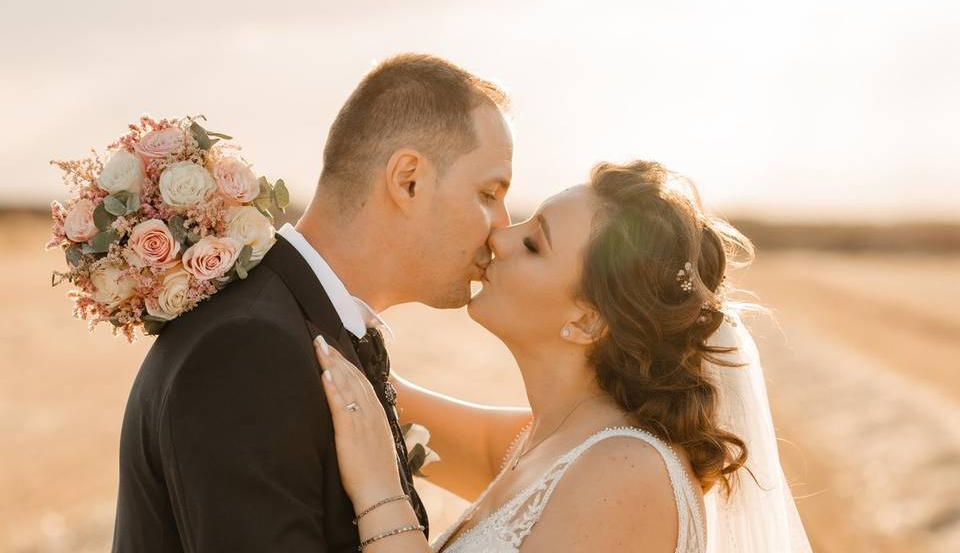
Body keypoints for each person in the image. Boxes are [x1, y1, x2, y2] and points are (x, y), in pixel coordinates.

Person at [111, 53, 514, 552]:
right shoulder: (250, 351)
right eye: (489, 192)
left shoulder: (301, 323)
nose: (503, 225)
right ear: (408, 179)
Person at [314, 160, 812, 552]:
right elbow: (368, 399)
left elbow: (377, 438)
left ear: (588, 321)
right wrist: (247, 244)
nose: (498, 237)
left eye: (533, 243)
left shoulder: (627, 473)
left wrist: (380, 492)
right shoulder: (540, 443)